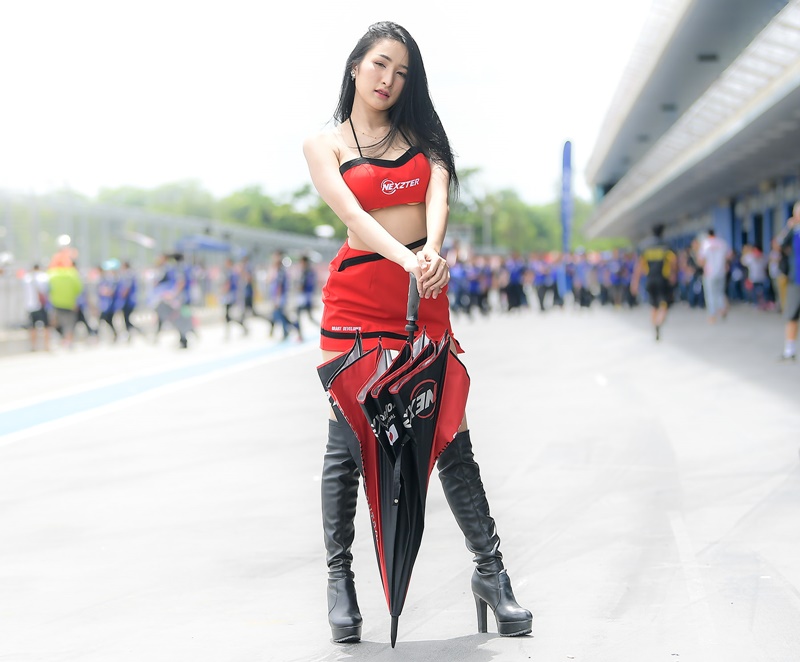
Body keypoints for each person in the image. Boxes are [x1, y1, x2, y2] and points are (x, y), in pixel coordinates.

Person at [303, 21, 531, 644]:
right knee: (348, 440)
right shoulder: (324, 144)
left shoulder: (423, 136)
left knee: (449, 432)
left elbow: (438, 195)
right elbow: (353, 215)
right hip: (358, 300)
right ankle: (339, 581)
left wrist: (430, 250)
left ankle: (492, 573)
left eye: (402, 72)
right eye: (380, 64)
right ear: (356, 65)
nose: (388, 80)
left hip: (422, 296)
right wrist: (409, 259)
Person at [630, 224, 677, 341]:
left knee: (654, 305)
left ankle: (655, 324)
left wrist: (635, 283)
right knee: (665, 305)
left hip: (650, 280)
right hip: (663, 281)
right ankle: (659, 322)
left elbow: (638, 267)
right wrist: (673, 276)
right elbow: (674, 263)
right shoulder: (666, 246)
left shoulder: (645, 248)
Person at [776, 202, 800, 361]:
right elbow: (779, 244)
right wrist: (788, 227)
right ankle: (789, 351)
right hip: (796, 279)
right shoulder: (794, 232)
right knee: (792, 315)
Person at [697, 228, 732, 323]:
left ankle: (712, 315)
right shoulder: (722, 243)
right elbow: (729, 256)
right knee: (720, 292)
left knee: (710, 294)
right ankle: (722, 309)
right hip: (721, 272)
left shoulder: (705, 244)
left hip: (709, 273)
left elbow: (701, 260)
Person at [21, 263, 50, 351]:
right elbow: (46, 290)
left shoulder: (27, 278)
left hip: (30, 306)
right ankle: (46, 346)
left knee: (32, 327)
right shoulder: (43, 277)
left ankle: (33, 346)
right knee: (46, 326)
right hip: (40, 305)